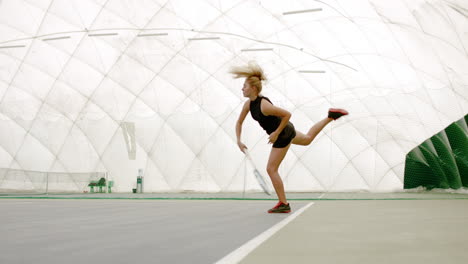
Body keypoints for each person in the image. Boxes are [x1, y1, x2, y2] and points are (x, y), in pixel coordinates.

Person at [231, 62, 348, 213]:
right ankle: (331, 116)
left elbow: (287, 114)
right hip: (286, 130)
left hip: (283, 133)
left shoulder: (264, 105)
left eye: (245, 86)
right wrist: (238, 140)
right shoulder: (249, 104)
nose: (242, 88)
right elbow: (239, 122)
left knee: (271, 169)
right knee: (307, 139)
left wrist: (276, 133)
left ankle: (283, 203)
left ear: (253, 88)